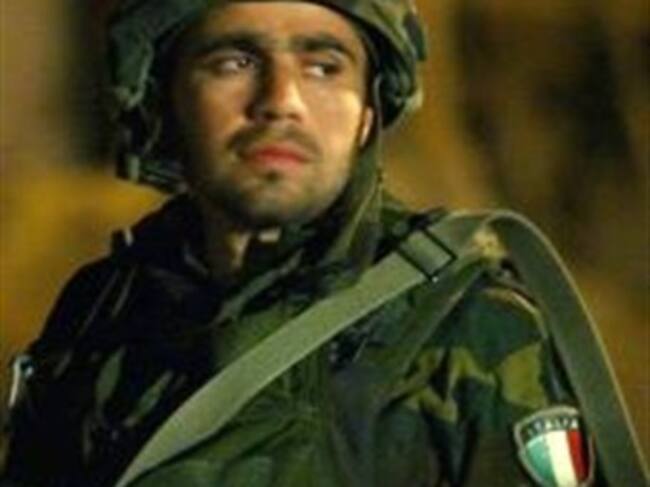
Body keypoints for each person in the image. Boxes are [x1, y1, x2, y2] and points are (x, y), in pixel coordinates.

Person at [1, 1, 613, 486]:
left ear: (368, 114)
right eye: (234, 62)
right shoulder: (102, 312)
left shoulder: (466, 324)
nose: (281, 102)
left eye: (324, 67)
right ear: (167, 99)